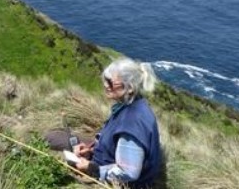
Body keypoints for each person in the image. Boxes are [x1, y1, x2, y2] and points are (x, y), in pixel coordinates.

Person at [48, 58, 162, 188]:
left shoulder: (131, 124)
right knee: (57, 136)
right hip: (102, 160)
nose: (105, 85)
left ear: (129, 87)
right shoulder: (132, 105)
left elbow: (129, 172)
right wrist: (90, 150)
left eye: (110, 82)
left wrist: (92, 168)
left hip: (115, 181)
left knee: (52, 145)